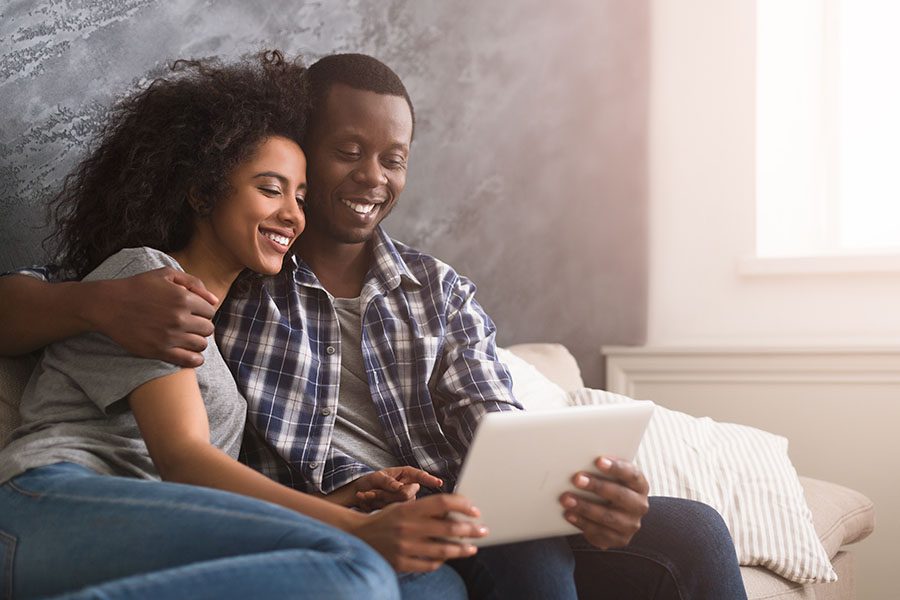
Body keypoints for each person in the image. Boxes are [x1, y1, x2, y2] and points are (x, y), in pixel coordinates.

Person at [0, 53, 748, 599]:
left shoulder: (438, 291)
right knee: (408, 572)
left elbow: (496, 430)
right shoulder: (224, 288)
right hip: (351, 524)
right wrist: (92, 303)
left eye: (393, 159)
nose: (371, 178)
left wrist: (577, 499)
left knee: (692, 532)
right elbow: (184, 449)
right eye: (346, 153)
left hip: (452, 503)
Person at [0, 51, 486, 600]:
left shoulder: (224, 343)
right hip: (49, 499)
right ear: (204, 191)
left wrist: (347, 502)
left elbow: (207, 504)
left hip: (147, 524)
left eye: (299, 197)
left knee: (423, 585)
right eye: (271, 189)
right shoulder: (147, 280)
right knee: (360, 569)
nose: (293, 215)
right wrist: (357, 530)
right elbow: (183, 461)